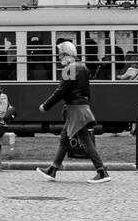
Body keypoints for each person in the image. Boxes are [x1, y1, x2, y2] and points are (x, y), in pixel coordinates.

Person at [36, 40, 111, 184]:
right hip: (81, 107)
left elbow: (61, 91)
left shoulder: (69, 69)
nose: (58, 57)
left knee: (85, 140)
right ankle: (53, 169)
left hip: (75, 110)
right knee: (65, 139)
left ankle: (102, 171)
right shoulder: (83, 67)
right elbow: (87, 91)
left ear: (66, 54)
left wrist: (45, 106)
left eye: (59, 54)